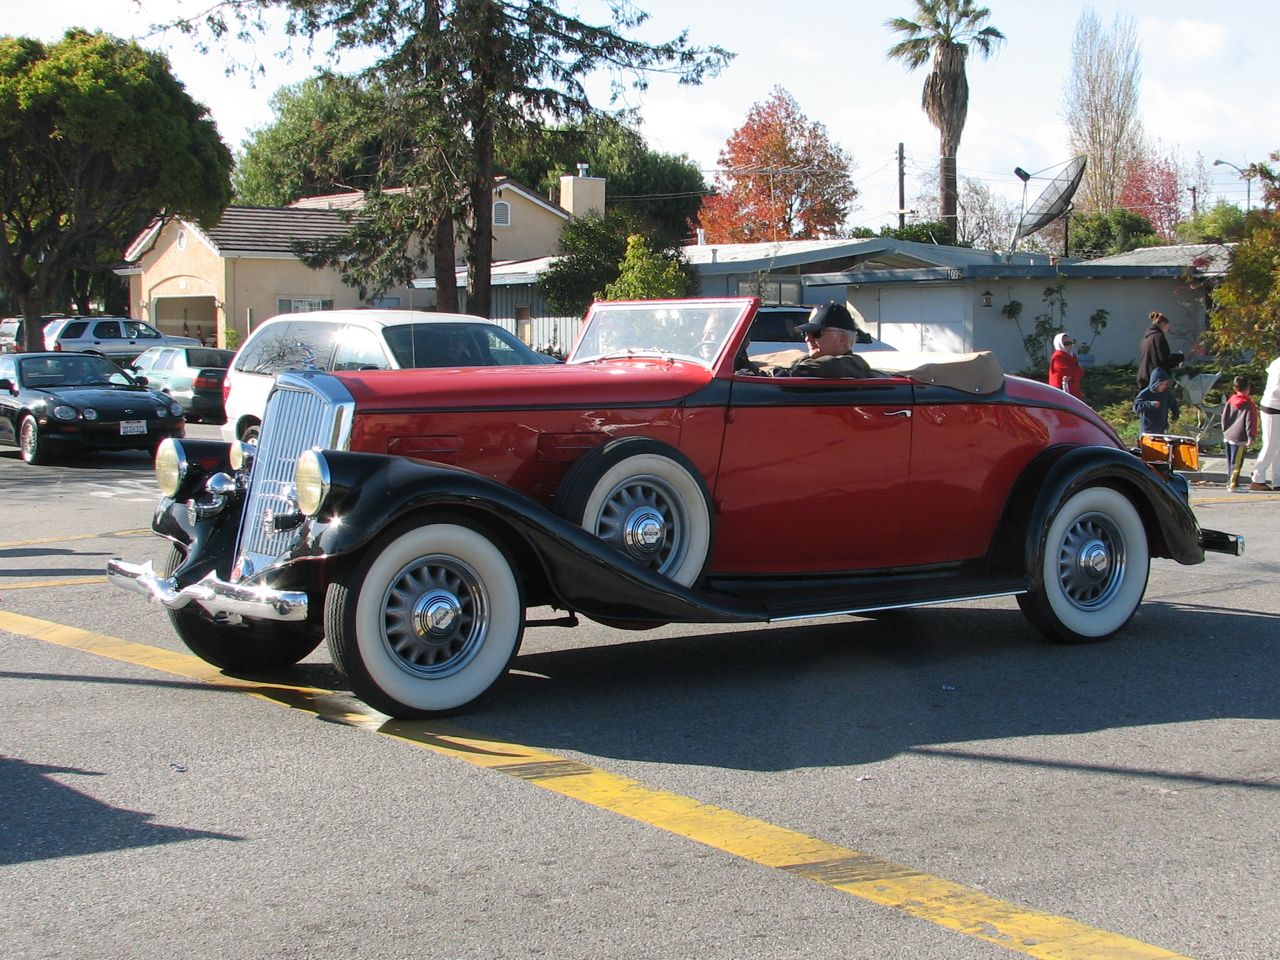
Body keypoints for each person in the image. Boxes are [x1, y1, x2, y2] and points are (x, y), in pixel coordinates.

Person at [781, 301, 873, 378]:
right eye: (805, 333)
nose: (807, 339)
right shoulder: (804, 362)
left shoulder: (853, 365)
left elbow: (825, 367)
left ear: (842, 338)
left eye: (816, 333)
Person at [1248, 352, 1280, 491]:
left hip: (1275, 407)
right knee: (1270, 445)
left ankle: (1277, 480)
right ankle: (1257, 479)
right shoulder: (1278, 364)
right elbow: (1275, 391)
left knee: (1278, 447)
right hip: (1272, 407)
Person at [1221, 375, 1258, 491]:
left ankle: (1229, 482)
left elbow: (1224, 416)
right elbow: (1250, 421)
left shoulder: (1231, 400)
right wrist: (1251, 436)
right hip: (1240, 436)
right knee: (1237, 463)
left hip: (1229, 434)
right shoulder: (1248, 403)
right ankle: (1233, 484)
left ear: (1234, 388)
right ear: (1248, 389)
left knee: (1230, 461)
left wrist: (1225, 430)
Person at [1136, 311, 1184, 387]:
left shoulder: (1146, 338)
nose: (1168, 330)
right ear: (1163, 324)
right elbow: (1165, 360)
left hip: (1144, 377)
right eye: (1167, 327)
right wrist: (1180, 357)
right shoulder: (1159, 337)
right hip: (1156, 380)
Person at [1133, 367, 1179, 437]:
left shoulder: (1166, 393)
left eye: (1165, 384)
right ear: (1155, 383)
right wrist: (1150, 404)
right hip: (1147, 431)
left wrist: (1175, 415)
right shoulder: (1145, 393)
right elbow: (1136, 407)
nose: (1163, 386)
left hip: (1162, 429)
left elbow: (1174, 404)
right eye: (1161, 384)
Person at [1048, 331, 1084, 399]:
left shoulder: (1072, 355)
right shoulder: (1058, 356)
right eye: (1066, 343)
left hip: (1072, 390)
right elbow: (1068, 372)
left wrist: (1077, 371)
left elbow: (1079, 373)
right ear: (1060, 344)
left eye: (1070, 343)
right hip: (1060, 391)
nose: (1069, 345)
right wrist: (1078, 369)